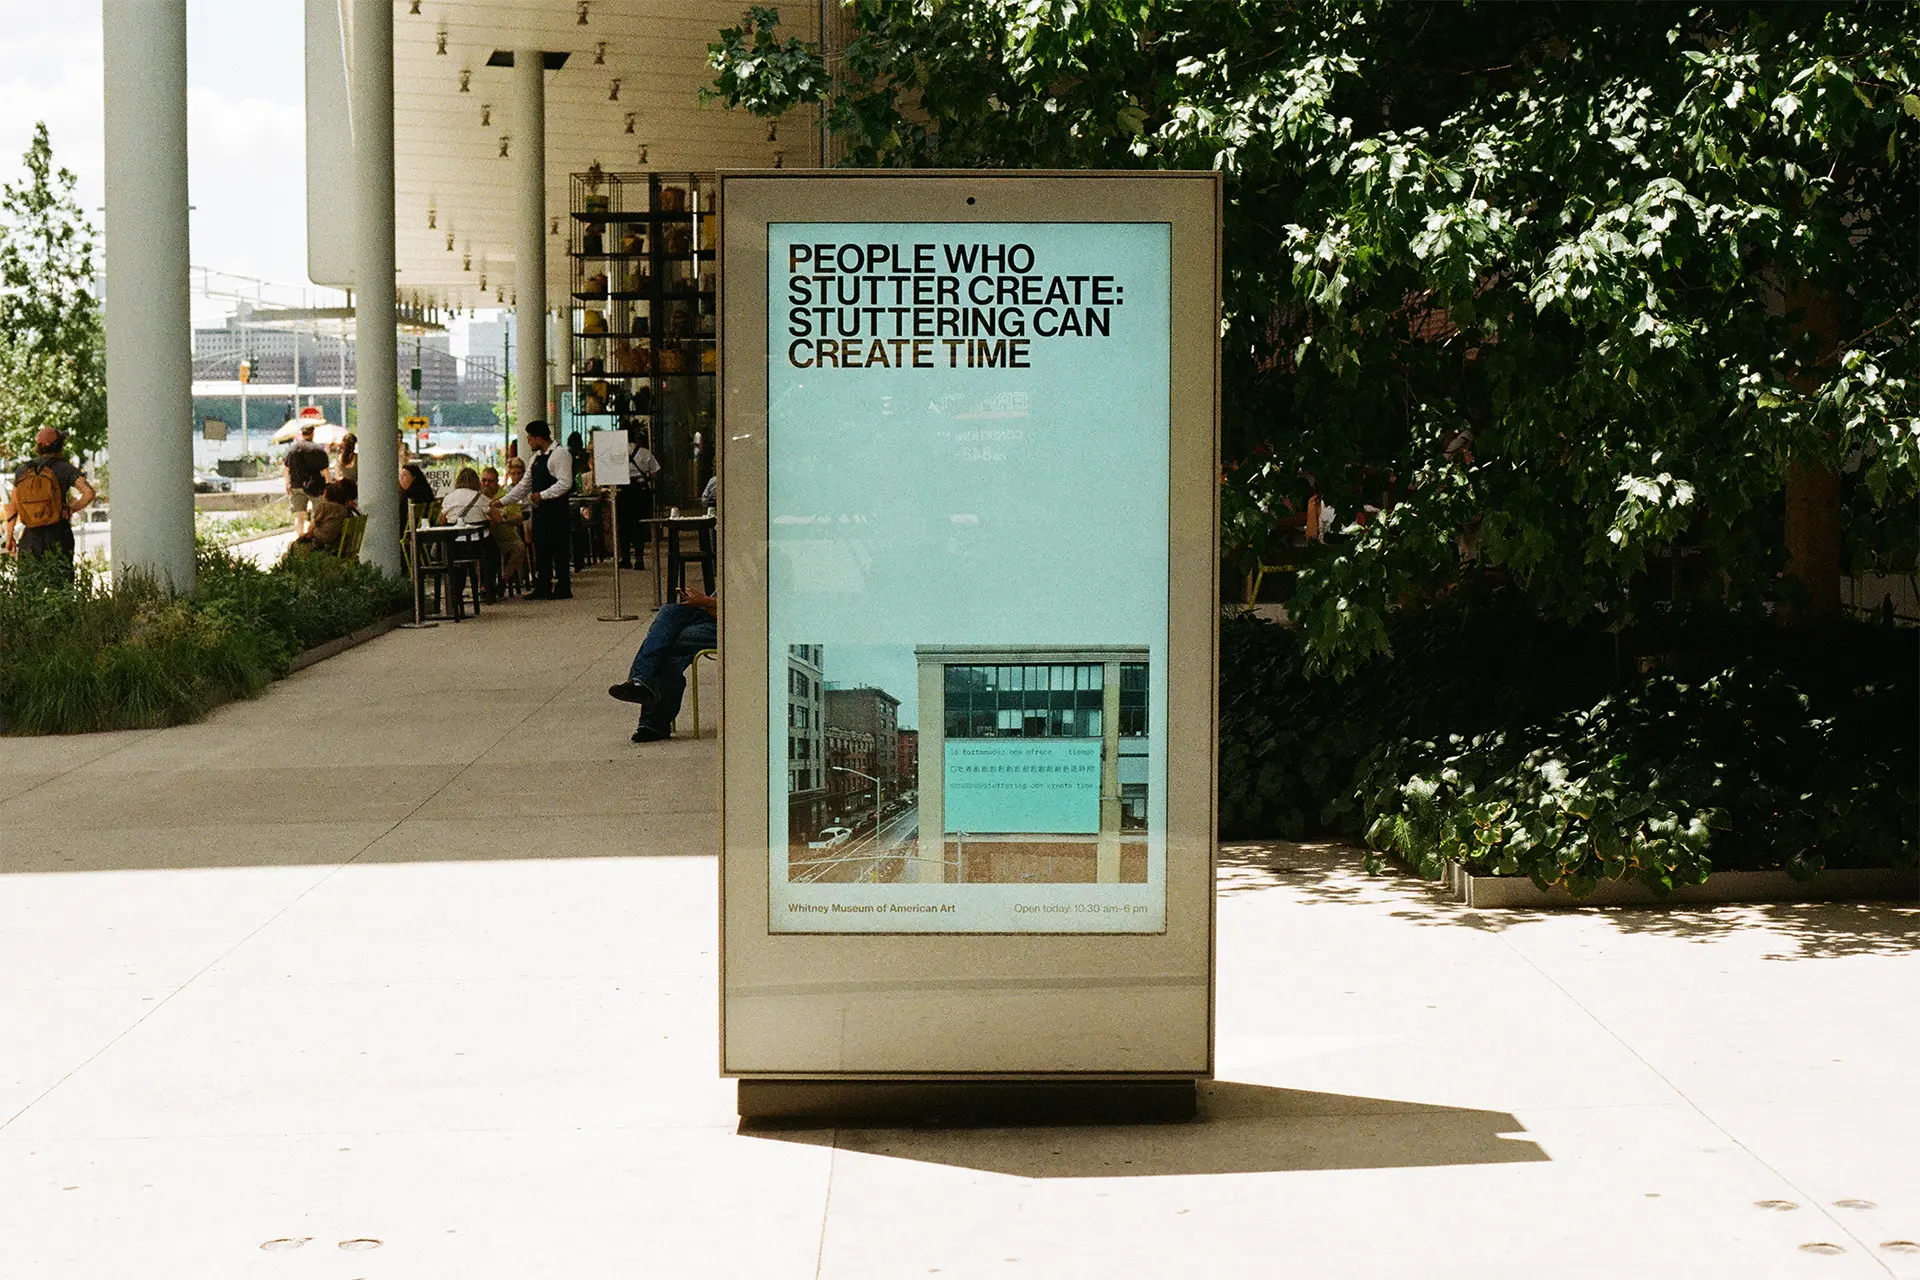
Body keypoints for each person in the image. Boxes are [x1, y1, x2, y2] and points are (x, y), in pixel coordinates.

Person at [608, 586, 717, 742]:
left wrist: (706, 601)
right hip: (716, 612)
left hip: (736, 622)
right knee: (669, 612)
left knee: (670, 642)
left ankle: (653, 715)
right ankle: (641, 683)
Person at [2, 427, 96, 583]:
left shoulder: (23, 471)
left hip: (31, 537)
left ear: (38, 447)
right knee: (61, 586)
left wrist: (10, 537)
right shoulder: (65, 468)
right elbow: (89, 493)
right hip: (58, 534)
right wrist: (73, 508)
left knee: (29, 589)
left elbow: (13, 507)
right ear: (59, 445)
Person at [501, 420, 573, 599]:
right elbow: (524, 486)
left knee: (559, 548)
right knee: (541, 547)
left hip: (557, 509)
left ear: (539, 438)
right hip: (540, 510)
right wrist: (502, 501)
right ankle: (544, 585)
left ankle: (564, 586)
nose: (528, 442)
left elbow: (565, 483)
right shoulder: (535, 459)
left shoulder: (560, 454)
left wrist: (543, 494)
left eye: (530, 438)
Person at [479, 465, 527, 599]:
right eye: (484, 480)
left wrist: (504, 520)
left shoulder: (506, 496)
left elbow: (519, 517)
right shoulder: (477, 497)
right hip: (483, 539)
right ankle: (484, 585)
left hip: (505, 538)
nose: (486, 484)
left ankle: (503, 581)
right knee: (480, 552)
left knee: (520, 548)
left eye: (490, 481)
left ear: (497, 482)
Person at [616, 432, 660, 569]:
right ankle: (639, 559)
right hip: (640, 491)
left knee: (623, 525)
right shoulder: (645, 453)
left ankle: (625, 558)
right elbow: (654, 473)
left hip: (623, 491)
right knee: (640, 525)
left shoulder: (618, 453)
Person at [283, 421, 330, 536]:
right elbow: (325, 471)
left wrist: (287, 484)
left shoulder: (293, 449)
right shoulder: (318, 449)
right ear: (313, 433)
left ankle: (300, 537)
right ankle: (310, 535)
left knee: (299, 515)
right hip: (314, 487)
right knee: (317, 514)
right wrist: (328, 486)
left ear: (302, 434)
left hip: (296, 486)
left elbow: (286, 469)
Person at [289, 478, 356, 557]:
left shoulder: (326, 507)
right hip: (337, 548)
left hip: (323, 549)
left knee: (290, 548)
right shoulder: (348, 511)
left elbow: (311, 530)